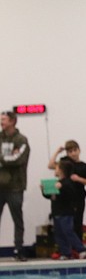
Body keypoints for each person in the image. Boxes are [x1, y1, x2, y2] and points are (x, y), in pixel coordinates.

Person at [42, 158, 86, 260]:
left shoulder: (67, 183)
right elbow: (50, 196)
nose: (55, 170)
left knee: (68, 231)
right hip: (56, 212)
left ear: (62, 170)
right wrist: (44, 190)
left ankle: (81, 249)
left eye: (57, 168)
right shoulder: (57, 183)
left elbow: (71, 195)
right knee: (59, 234)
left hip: (66, 213)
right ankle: (66, 252)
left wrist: (61, 187)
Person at [0, 111, 30, 261]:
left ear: (12, 121)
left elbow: (18, 159)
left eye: (4, 119)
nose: (1, 122)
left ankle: (18, 249)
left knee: (17, 219)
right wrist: (9, 157)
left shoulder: (21, 140)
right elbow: (12, 158)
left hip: (15, 186)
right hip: (0, 187)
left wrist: (3, 159)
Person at [49, 141, 86, 240]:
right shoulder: (65, 163)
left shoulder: (85, 166)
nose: (73, 153)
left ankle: (78, 246)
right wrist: (57, 152)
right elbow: (51, 165)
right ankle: (66, 247)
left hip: (78, 197)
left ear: (79, 150)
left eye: (75, 150)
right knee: (64, 223)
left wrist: (79, 179)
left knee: (77, 222)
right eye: (70, 151)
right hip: (65, 197)